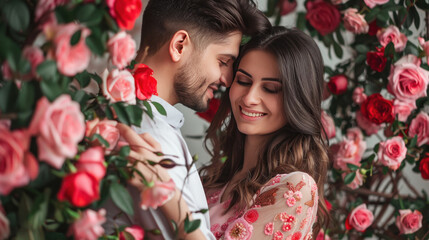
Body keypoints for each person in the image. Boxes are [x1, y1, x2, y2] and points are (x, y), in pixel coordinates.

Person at [104, 0, 270, 239]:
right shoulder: (152, 141)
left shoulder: (123, 112)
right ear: (180, 45)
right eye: (223, 62)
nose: (227, 79)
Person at [199, 26, 330, 239]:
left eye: (270, 89)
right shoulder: (215, 180)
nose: (250, 97)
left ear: (297, 101)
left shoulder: (296, 188)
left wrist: (172, 206)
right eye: (243, 81)